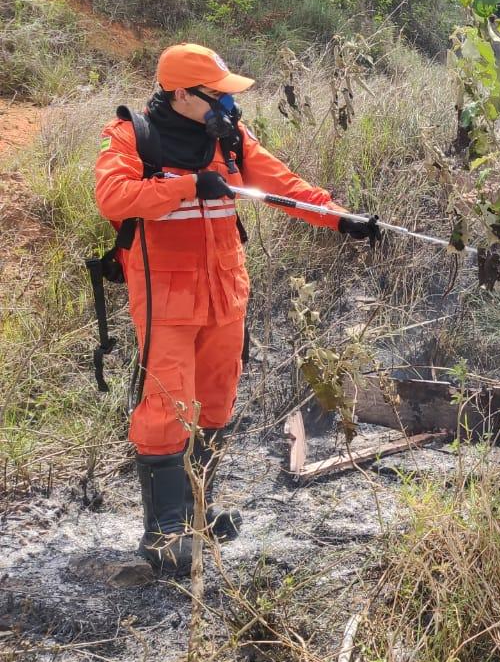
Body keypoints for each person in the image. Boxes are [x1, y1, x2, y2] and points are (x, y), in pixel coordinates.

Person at [94, 43, 380, 574]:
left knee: (217, 401)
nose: (227, 104)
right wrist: (185, 186)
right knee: (169, 408)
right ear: (182, 93)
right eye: (217, 94)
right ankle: (164, 532)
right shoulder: (133, 136)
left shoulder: (229, 139)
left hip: (225, 294)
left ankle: (199, 512)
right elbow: (114, 197)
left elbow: (283, 186)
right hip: (166, 299)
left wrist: (342, 218)